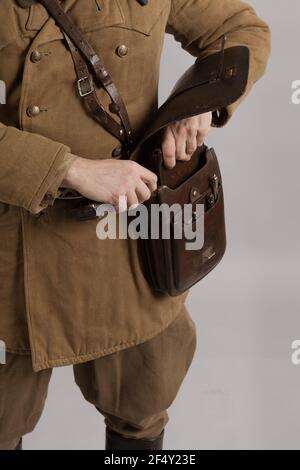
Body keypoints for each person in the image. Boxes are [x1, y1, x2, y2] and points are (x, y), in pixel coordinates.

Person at [0, 0, 270, 450]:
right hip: (15, 243)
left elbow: (240, 29)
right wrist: (68, 169)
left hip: (128, 239)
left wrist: (197, 102)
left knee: (142, 408)